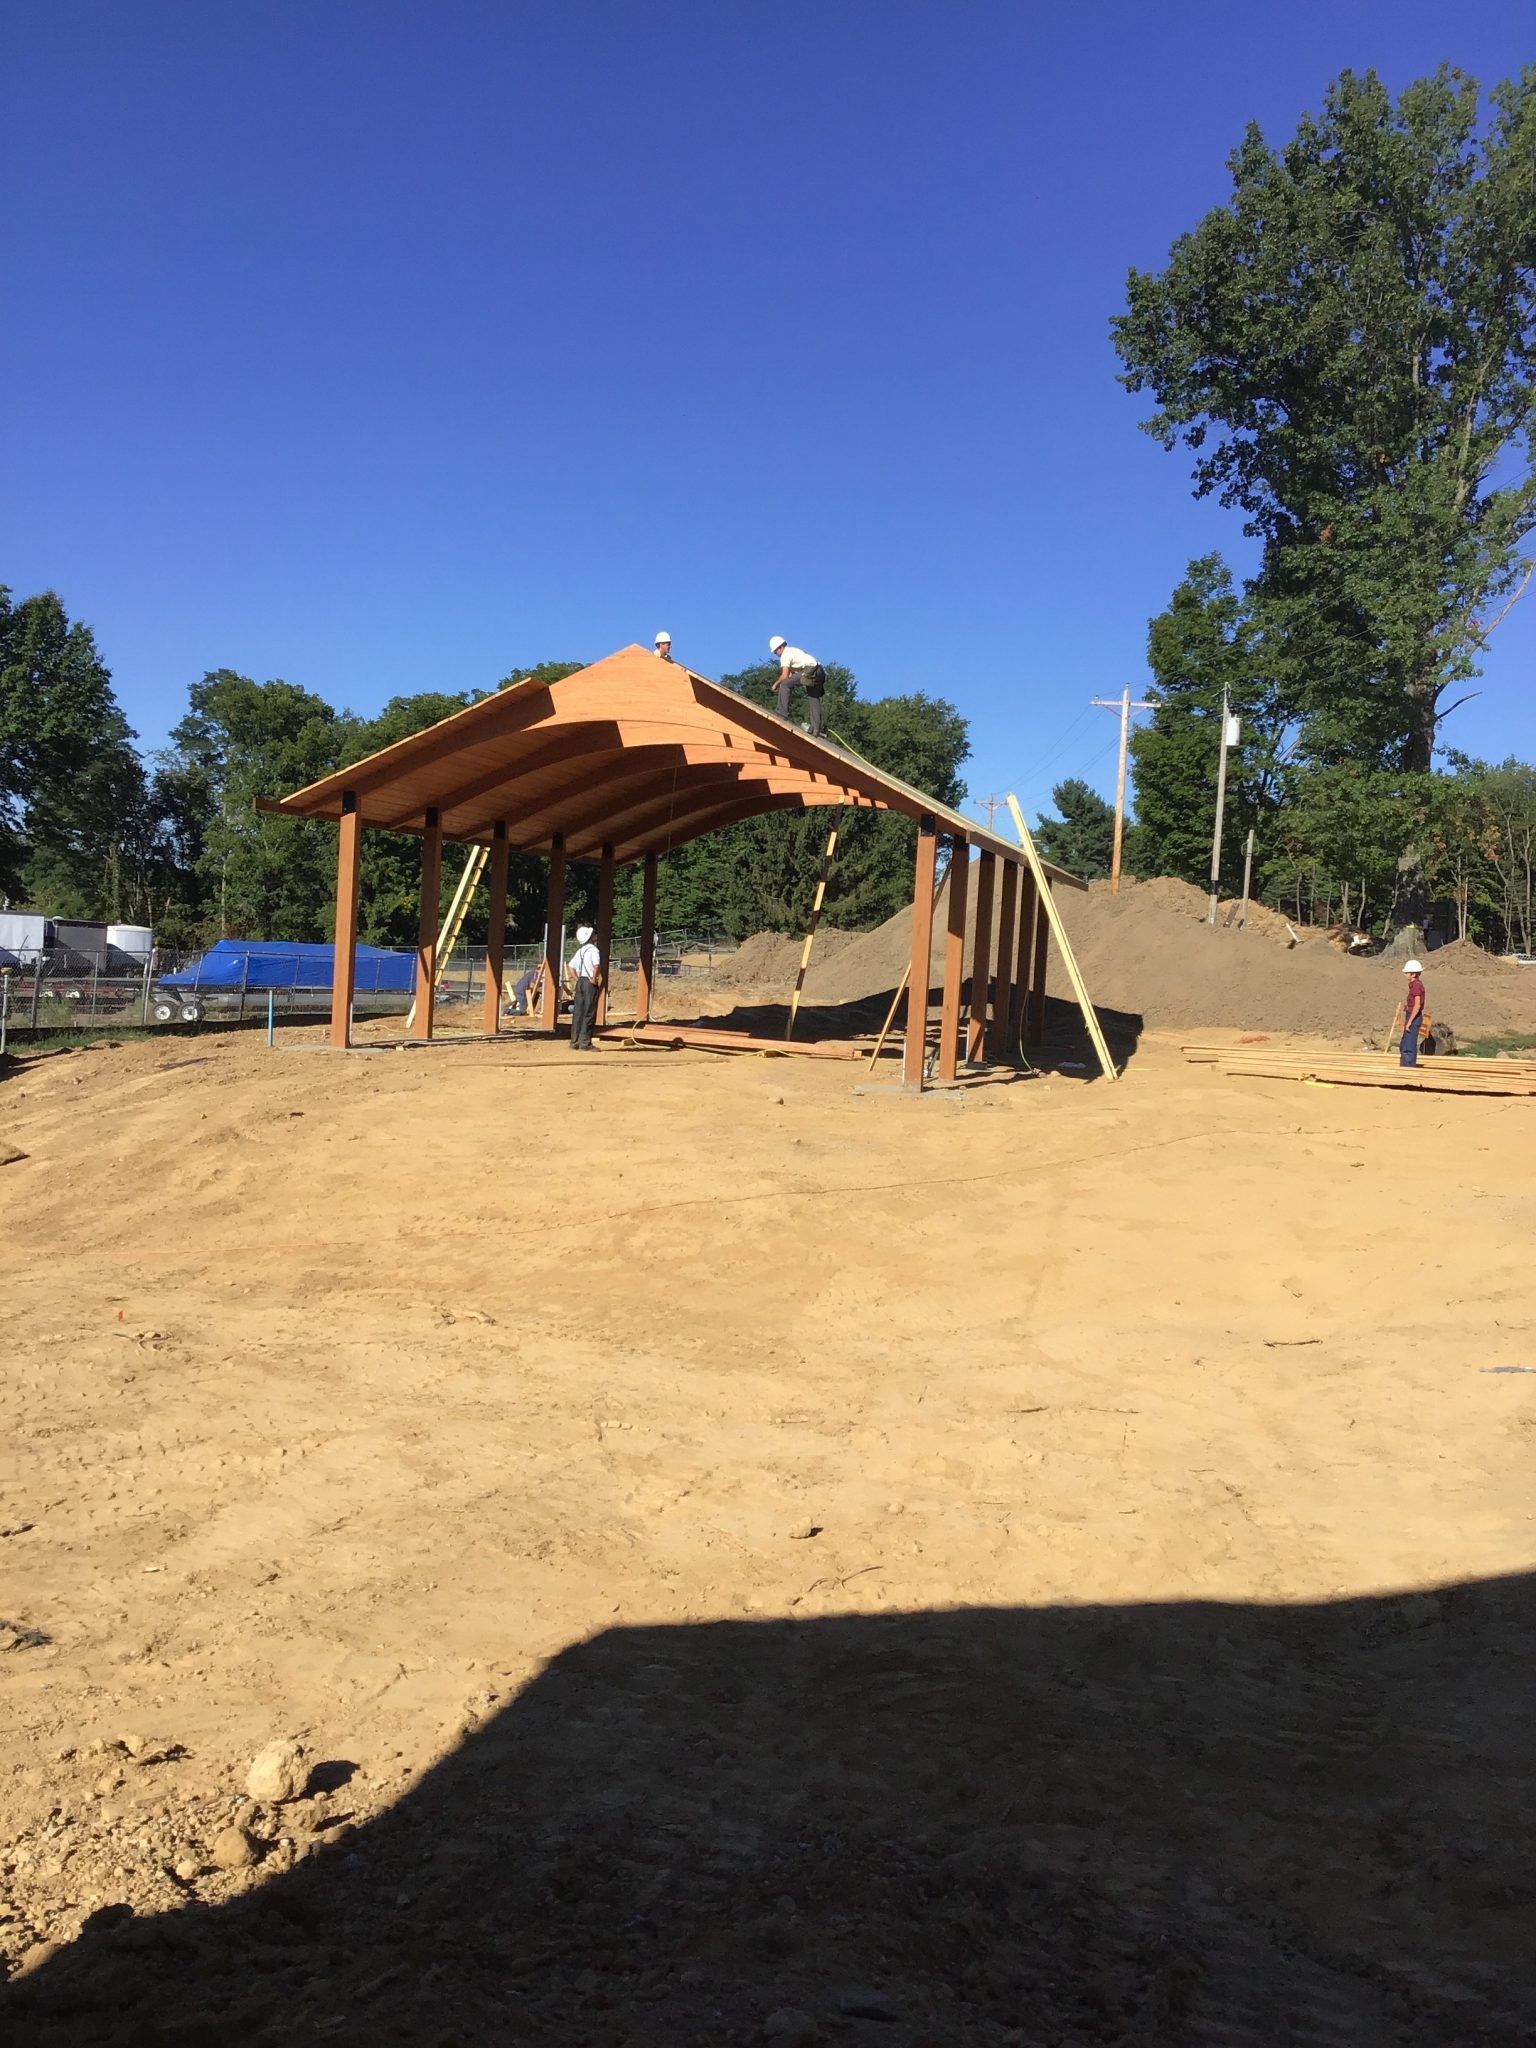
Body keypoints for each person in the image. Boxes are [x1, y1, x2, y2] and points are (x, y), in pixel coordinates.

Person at [768, 635, 826, 736]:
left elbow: (785, 676)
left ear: (780, 647)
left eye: (775, 651)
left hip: (810, 670)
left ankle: (782, 713)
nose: (775, 654)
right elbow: (791, 676)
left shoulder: (785, 654)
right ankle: (816, 729)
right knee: (813, 698)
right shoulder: (793, 651)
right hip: (819, 671)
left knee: (784, 685)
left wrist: (776, 684)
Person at [566, 923, 602, 1051]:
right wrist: (594, 978)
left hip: (580, 981)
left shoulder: (580, 951)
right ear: (590, 937)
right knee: (589, 1011)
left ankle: (574, 1041)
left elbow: (571, 966)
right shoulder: (593, 950)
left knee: (578, 1012)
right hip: (588, 982)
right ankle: (585, 1043)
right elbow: (596, 965)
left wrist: (577, 979)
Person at [1400, 958, 1426, 1067]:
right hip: (1411, 1016)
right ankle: (1405, 1065)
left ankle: (1409, 1068)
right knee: (1405, 1043)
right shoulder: (1413, 985)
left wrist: (1410, 1021)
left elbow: (1417, 1005)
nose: (1405, 974)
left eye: (1407, 973)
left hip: (1414, 1017)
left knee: (1409, 1045)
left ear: (1413, 974)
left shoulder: (1416, 986)